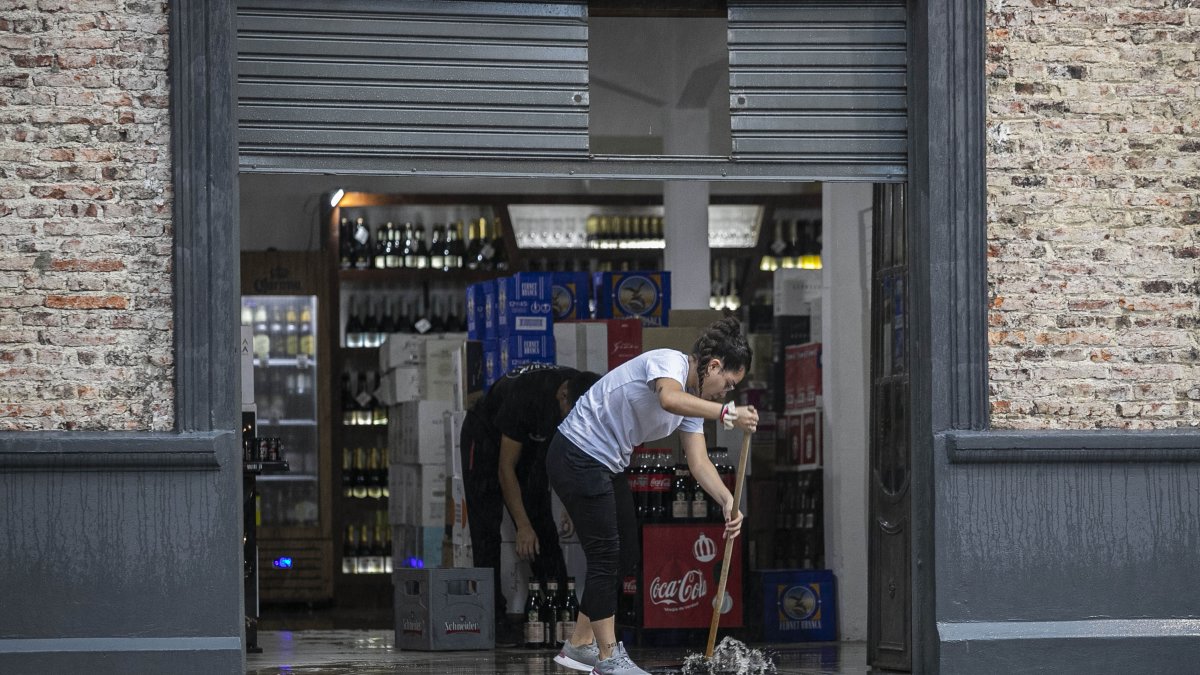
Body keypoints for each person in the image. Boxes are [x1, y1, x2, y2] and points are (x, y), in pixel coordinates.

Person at [547, 317, 758, 675]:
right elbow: (668, 398)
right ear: (714, 366)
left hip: (605, 463)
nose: (727, 393)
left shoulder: (694, 402)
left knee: (626, 553)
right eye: (729, 383)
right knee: (605, 556)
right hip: (577, 453)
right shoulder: (668, 363)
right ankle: (608, 656)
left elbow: (698, 461)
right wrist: (725, 414)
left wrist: (726, 500)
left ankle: (579, 644)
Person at [459, 362, 601, 639]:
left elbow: (567, 459)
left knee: (541, 517)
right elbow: (505, 468)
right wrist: (522, 526)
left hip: (533, 438)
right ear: (562, 395)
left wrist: (571, 507)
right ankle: (493, 618)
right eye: (570, 416)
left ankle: (556, 609)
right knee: (487, 525)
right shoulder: (527, 398)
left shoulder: (584, 392)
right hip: (485, 434)